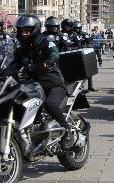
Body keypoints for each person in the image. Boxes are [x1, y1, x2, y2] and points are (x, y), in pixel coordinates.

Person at [14, 15, 75, 146]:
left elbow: (54, 53)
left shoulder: (46, 41)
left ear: (34, 29)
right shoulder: (21, 50)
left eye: (27, 30)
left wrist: (49, 61)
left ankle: (67, 130)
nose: (24, 33)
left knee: (51, 104)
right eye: (21, 30)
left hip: (52, 83)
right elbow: (13, 65)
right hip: (32, 84)